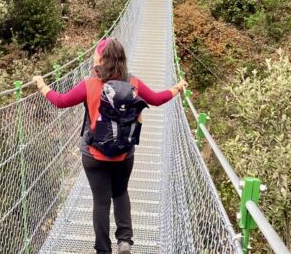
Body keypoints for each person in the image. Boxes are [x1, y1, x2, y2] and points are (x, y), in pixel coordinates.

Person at [33, 38, 186, 254]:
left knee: (101, 202)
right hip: (123, 155)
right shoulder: (133, 82)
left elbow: (60, 101)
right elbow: (157, 99)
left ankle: (103, 250)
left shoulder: (89, 84)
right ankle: (124, 241)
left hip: (94, 155)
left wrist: (41, 85)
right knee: (121, 192)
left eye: (96, 54)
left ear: (101, 59)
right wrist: (177, 87)